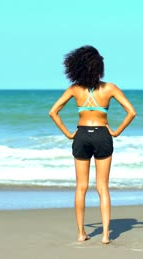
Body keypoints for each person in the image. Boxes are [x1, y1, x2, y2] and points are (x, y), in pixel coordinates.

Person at [48, 45, 136, 244]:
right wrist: (116, 131)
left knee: (81, 187)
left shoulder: (74, 89)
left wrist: (69, 133)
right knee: (102, 187)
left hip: (81, 135)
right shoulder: (109, 88)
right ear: (99, 67)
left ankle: (81, 233)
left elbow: (53, 112)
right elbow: (131, 111)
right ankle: (105, 235)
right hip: (102, 134)